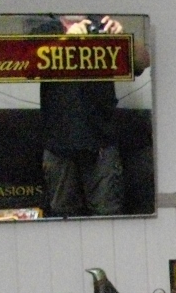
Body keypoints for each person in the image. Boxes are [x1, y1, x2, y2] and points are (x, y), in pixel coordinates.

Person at [37, 15, 150, 217]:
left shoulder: (101, 27)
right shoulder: (45, 30)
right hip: (58, 145)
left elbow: (143, 62)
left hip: (102, 144)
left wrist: (124, 38)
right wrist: (65, 40)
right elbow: (24, 63)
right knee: (62, 217)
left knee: (108, 216)